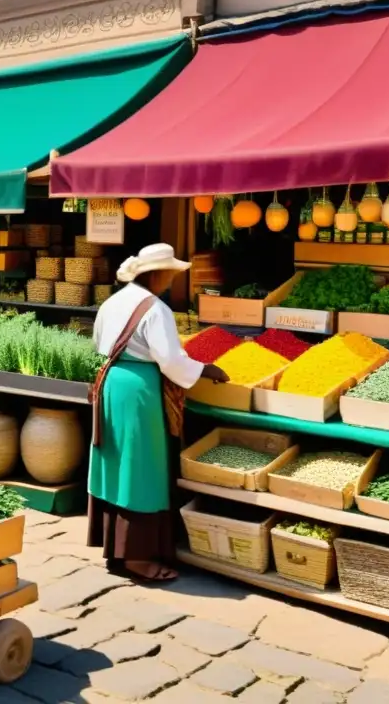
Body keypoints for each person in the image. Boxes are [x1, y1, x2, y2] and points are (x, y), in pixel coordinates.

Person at [88, 243, 228, 582]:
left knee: (119, 462)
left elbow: (96, 343)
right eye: (169, 274)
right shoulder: (156, 308)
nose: (170, 280)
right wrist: (207, 370)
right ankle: (138, 557)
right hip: (139, 391)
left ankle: (117, 548)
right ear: (157, 273)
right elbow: (171, 360)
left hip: (112, 383)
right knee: (141, 468)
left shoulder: (112, 301)